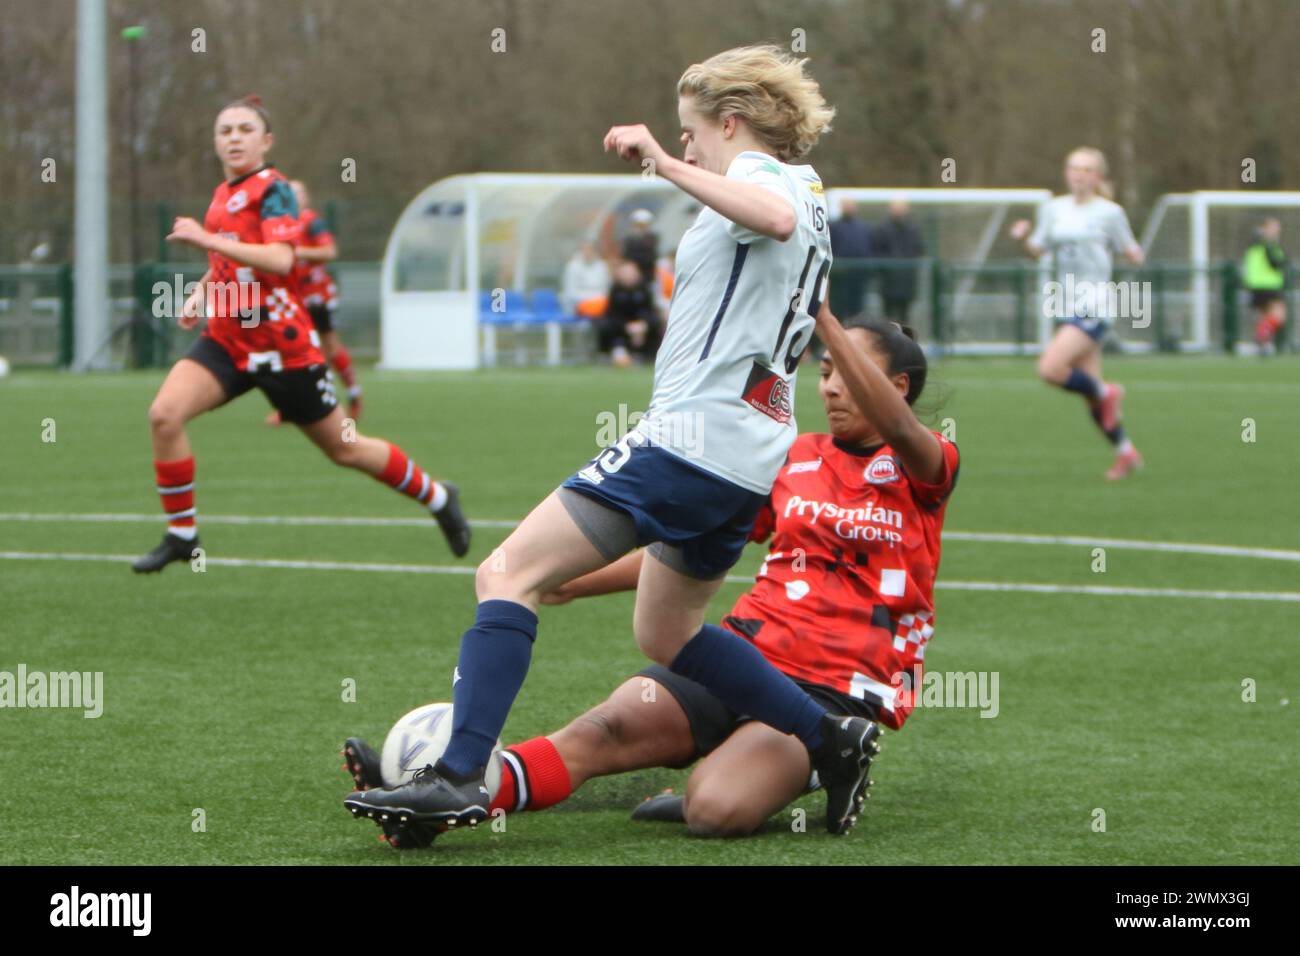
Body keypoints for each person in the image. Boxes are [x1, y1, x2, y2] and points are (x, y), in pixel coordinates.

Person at [343, 44, 880, 839]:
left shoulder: (765, 183)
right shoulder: (809, 192)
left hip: (690, 441)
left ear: (730, 123)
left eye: (691, 131)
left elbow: (766, 217)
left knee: (507, 571)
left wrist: (661, 163)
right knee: (666, 633)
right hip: (748, 451)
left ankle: (458, 774)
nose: (687, 145)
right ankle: (830, 737)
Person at [343, 312, 958, 848]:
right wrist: (577, 580)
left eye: (846, 374)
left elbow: (902, 430)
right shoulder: (789, 455)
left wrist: (818, 314)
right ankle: (433, 804)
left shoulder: (925, 464)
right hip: (745, 657)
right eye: (822, 372)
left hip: (834, 693)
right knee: (599, 733)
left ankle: (818, 758)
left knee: (714, 810)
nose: (828, 387)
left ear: (896, 389)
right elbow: (689, 556)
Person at [131, 95, 471, 574]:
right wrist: (202, 291)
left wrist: (204, 240)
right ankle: (183, 535)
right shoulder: (221, 194)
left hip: (284, 348)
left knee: (345, 449)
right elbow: (229, 257)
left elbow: (282, 259)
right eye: (225, 130)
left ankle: (437, 496)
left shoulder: (276, 191)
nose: (234, 138)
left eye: (245, 130)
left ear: (266, 141)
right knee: (164, 415)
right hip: (230, 338)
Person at [1009, 146, 1145, 481]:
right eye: (1073, 168)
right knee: (1089, 395)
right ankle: (1125, 451)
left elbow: (1132, 252)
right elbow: (1037, 251)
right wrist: (1023, 238)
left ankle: (1108, 392)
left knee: (1050, 368)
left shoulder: (1110, 213)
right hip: (1066, 303)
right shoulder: (1053, 210)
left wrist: (1133, 254)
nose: (1079, 174)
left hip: (1094, 304)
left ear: (1097, 177)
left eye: (1086, 169)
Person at [264, 180, 360, 424]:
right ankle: (291, 408)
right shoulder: (280, 225)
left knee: (328, 349)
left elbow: (329, 252)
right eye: (290, 194)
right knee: (291, 351)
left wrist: (297, 252)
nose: (293, 199)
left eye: (298, 194)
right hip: (293, 298)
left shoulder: (310, 221)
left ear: (305, 199)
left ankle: (352, 395)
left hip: (316, 297)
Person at [871, 198, 926, 323]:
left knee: (905, 317)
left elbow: (919, 250)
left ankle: (904, 341)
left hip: (907, 282)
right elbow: (877, 252)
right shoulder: (882, 229)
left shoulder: (913, 229)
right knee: (887, 317)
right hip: (888, 283)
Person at [599, 259, 660, 366]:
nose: (628, 277)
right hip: (622, 329)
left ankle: (649, 355)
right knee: (605, 325)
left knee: (657, 324)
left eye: (631, 273)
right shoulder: (615, 291)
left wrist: (643, 325)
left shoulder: (644, 290)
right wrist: (627, 327)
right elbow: (612, 314)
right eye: (625, 274)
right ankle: (612, 353)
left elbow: (650, 312)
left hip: (641, 328)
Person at [1240, 217, 1287, 355]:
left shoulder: (1254, 245)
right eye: (1273, 227)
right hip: (1268, 285)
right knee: (1279, 315)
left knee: (1264, 317)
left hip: (1255, 286)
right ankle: (1261, 335)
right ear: (1265, 229)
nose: (1277, 230)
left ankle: (1264, 345)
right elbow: (1276, 263)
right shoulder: (1268, 245)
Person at [828, 198, 872, 319]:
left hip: (858, 277)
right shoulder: (833, 227)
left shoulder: (863, 228)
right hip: (839, 279)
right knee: (838, 309)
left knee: (857, 310)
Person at [560, 241, 611, 317]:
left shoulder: (602, 266)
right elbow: (570, 291)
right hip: (577, 303)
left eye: (590, 249)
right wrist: (591, 299)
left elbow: (605, 288)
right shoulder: (572, 266)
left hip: (599, 302)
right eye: (584, 249)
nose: (587, 252)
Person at [621, 208, 660, 283]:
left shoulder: (652, 239)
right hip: (631, 275)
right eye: (638, 225)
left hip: (649, 275)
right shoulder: (629, 240)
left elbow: (652, 256)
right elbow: (626, 256)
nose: (641, 228)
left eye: (644, 225)